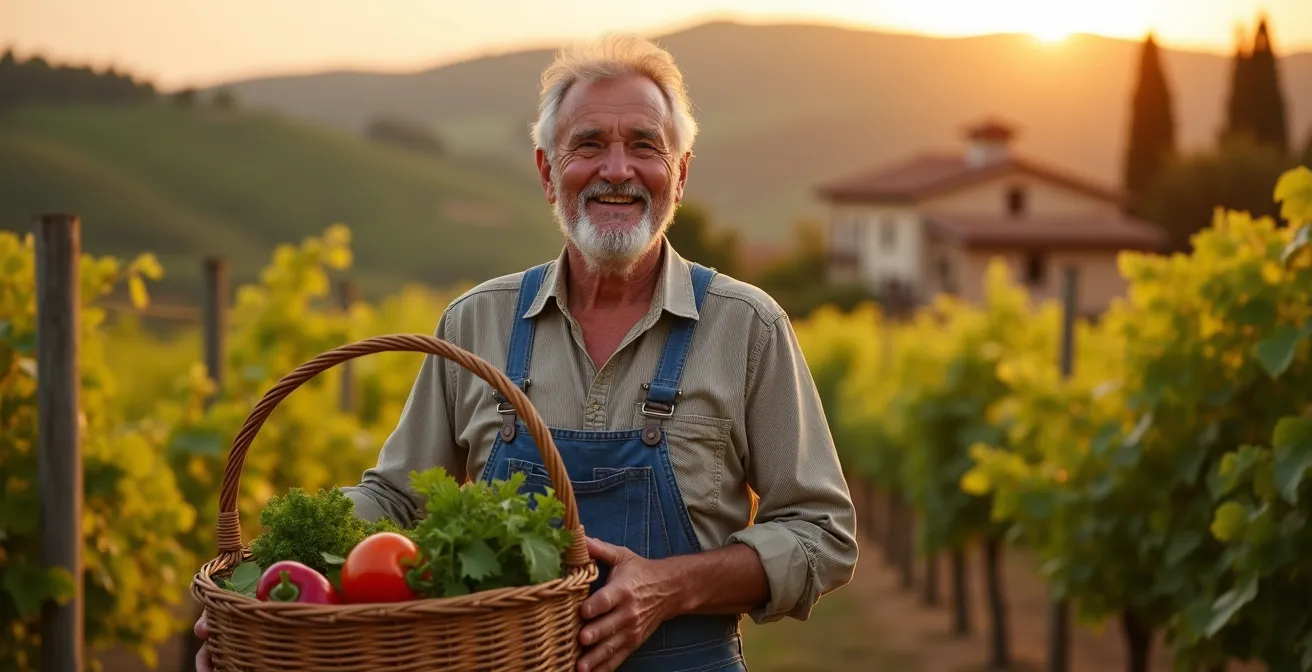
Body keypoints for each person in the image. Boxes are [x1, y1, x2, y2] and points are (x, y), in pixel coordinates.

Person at [196, 32, 857, 672]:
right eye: (588, 145)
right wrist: (267, 580)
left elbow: (821, 531)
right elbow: (395, 501)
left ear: (679, 174)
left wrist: (671, 586)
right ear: (548, 172)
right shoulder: (477, 321)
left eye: (644, 146)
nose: (617, 169)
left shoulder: (746, 328)